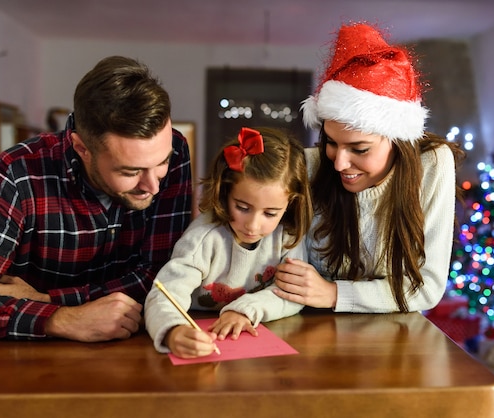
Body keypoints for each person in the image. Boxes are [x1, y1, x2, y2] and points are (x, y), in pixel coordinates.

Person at [0, 56, 192, 342]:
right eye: (130, 171)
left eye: (161, 163)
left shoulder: (175, 150)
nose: (153, 185)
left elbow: (164, 276)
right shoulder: (18, 172)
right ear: (81, 148)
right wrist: (60, 319)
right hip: (31, 364)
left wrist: (48, 299)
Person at [273, 22, 466, 314]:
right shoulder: (311, 164)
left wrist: (334, 293)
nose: (338, 163)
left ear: (398, 142)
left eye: (359, 149)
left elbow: (426, 287)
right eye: (331, 142)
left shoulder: (432, 163)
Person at [145, 126, 312, 358]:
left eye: (270, 213)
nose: (253, 225)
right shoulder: (204, 237)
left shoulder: (288, 236)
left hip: (257, 346)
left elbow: (291, 294)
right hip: (201, 333)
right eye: (242, 208)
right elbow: (165, 294)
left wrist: (243, 311)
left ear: (291, 204)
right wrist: (173, 331)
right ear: (224, 193)